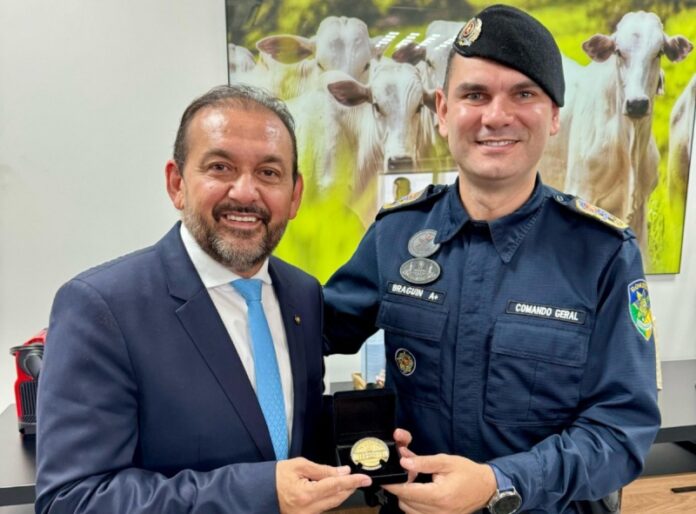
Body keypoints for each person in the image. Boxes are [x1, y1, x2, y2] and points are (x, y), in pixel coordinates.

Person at [323, 5, 660, 514]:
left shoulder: (603, 253)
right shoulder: (395, 234)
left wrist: (497, 483)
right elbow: (305, 333)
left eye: (523, 94)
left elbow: (621, 431)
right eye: (475, 94)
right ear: (442, 111)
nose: (496, 116)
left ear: (554, 115)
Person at [36, 84, 371, 513]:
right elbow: (73, 500)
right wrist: (261, 492)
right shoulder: (101, 308)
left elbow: (281, 435)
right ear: (177, 183)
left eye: (269, 173)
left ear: (294, 195)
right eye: (220, 167)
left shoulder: (303, 294)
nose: (245, 192)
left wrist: (369, 440)